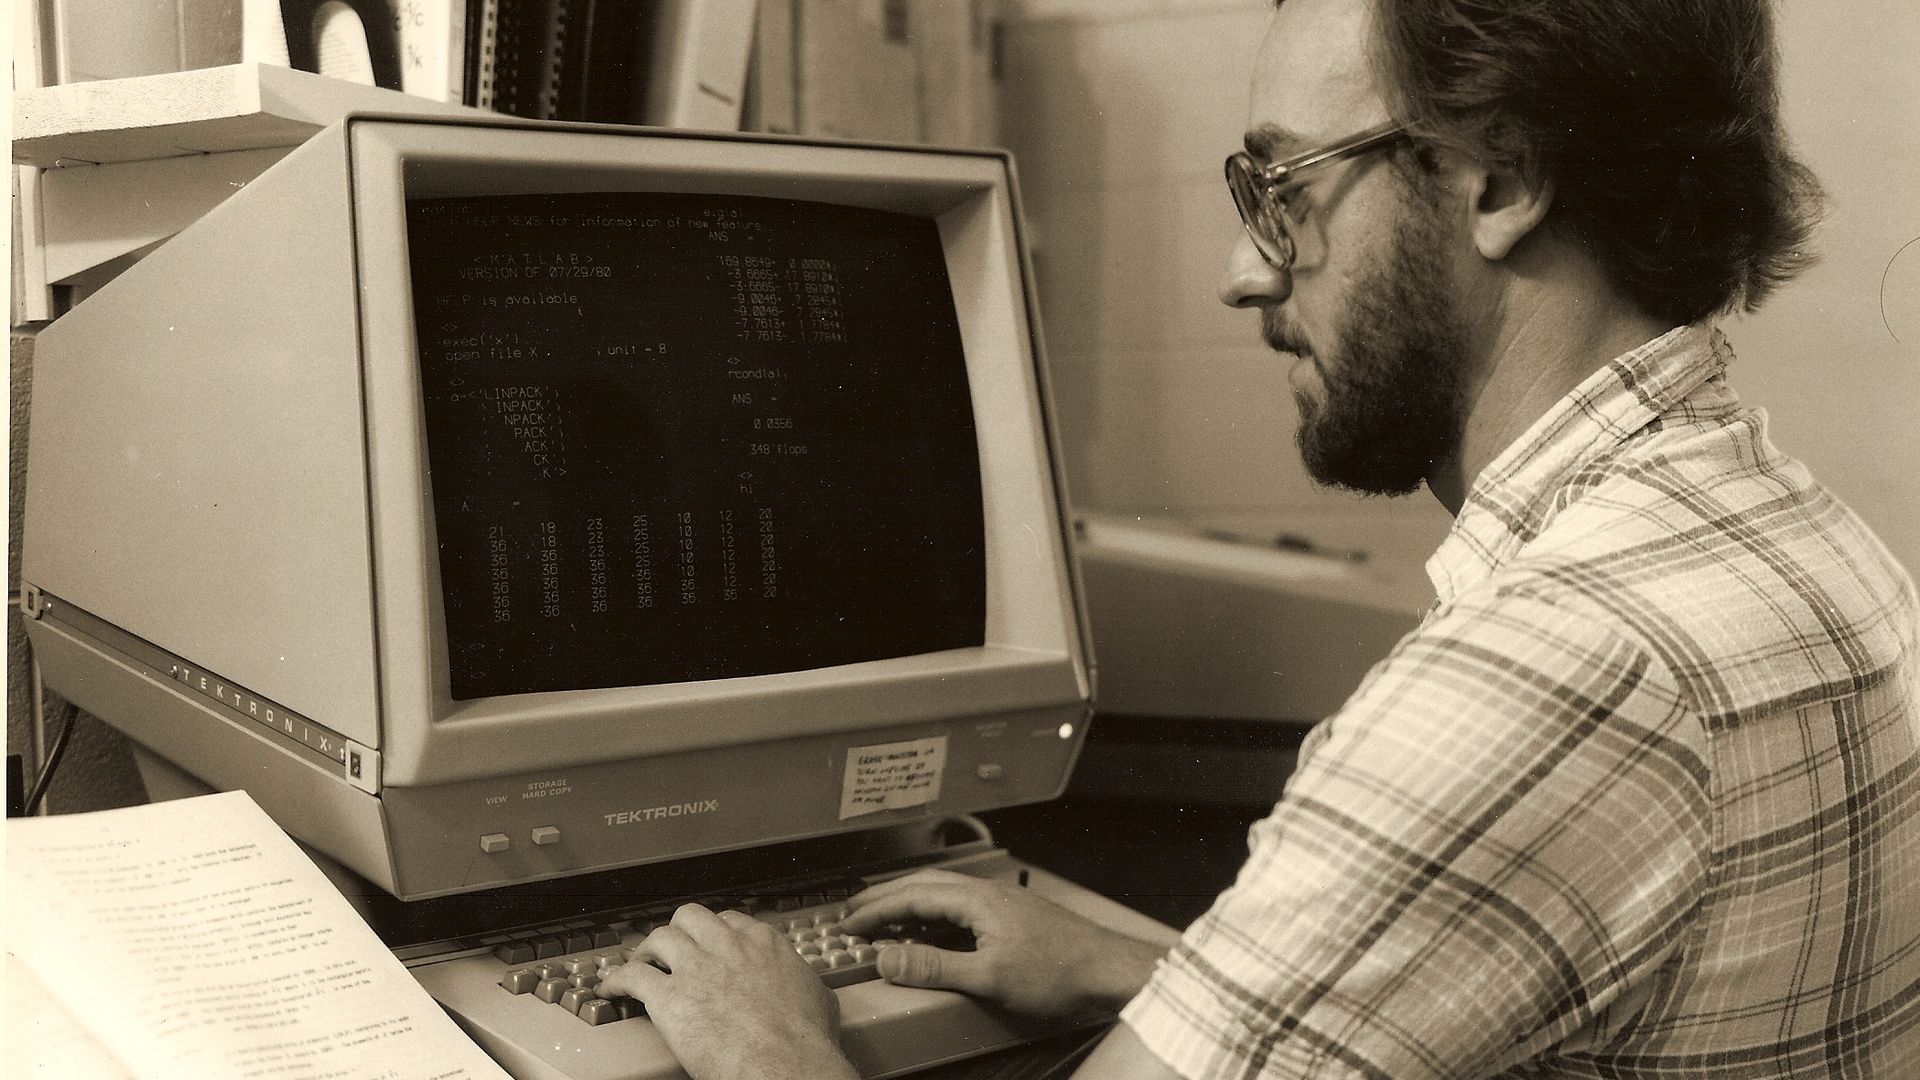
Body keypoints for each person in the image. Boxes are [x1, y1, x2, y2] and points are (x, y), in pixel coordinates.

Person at [595, 0, 1920, 1075]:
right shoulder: (1806, 544)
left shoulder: (1542, 675)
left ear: (1503, 179)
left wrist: (775, 1053)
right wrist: (1163, 973)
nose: (1243, 269)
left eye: (1281, 186)